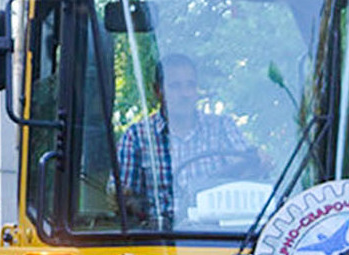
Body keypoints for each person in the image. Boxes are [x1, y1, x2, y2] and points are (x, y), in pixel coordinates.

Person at [112, 54, 264, 227]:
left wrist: (257, 161)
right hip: (161, 240)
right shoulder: (136, 137)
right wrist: (142, 214)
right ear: (157, 91)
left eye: (190, 85)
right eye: (175, 86)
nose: (185, 94)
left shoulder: (222, 127)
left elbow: (248, 169)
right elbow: (121, 198)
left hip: (220, 236)